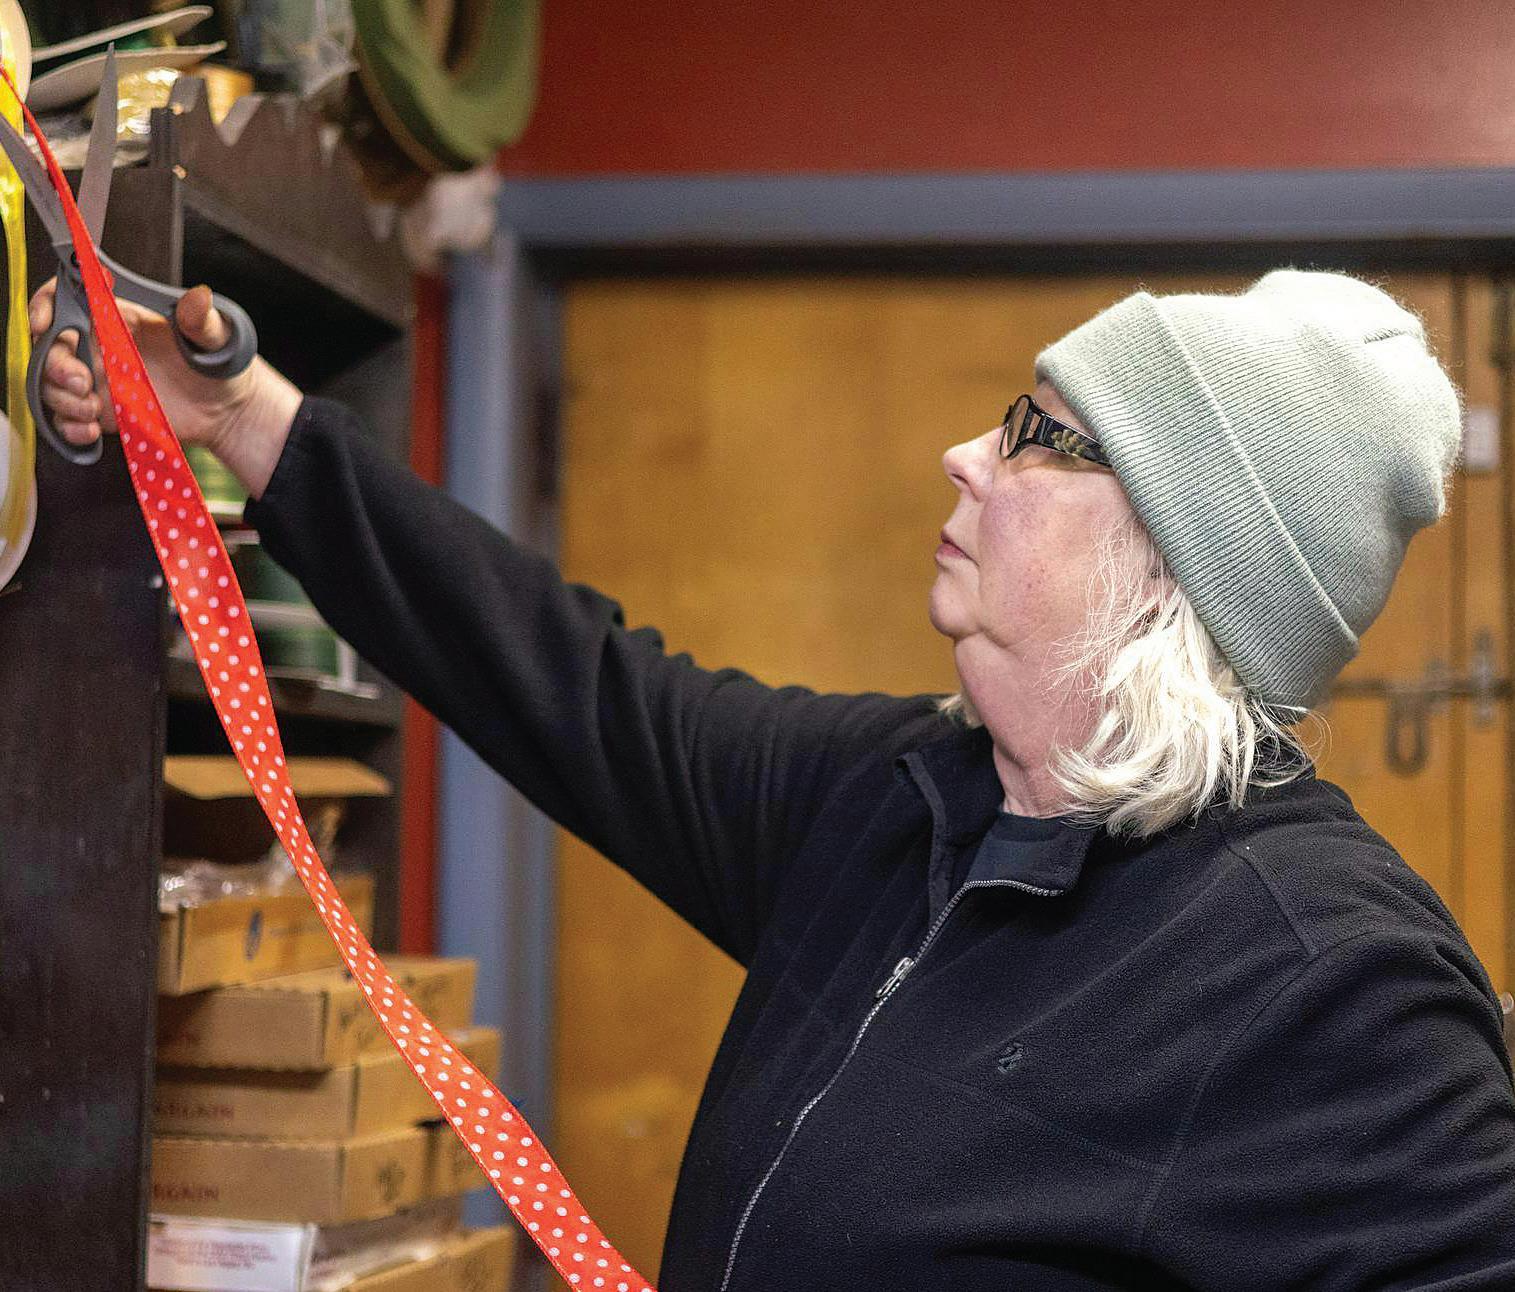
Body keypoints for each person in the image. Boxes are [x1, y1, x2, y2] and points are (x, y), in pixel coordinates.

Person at [34, 269, 1515, 1290]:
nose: (965, 456)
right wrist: (247, 420)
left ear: (1175, 561)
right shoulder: (906, 799)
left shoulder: (1330, 984)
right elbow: (582, 690)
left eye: (1038, 437)